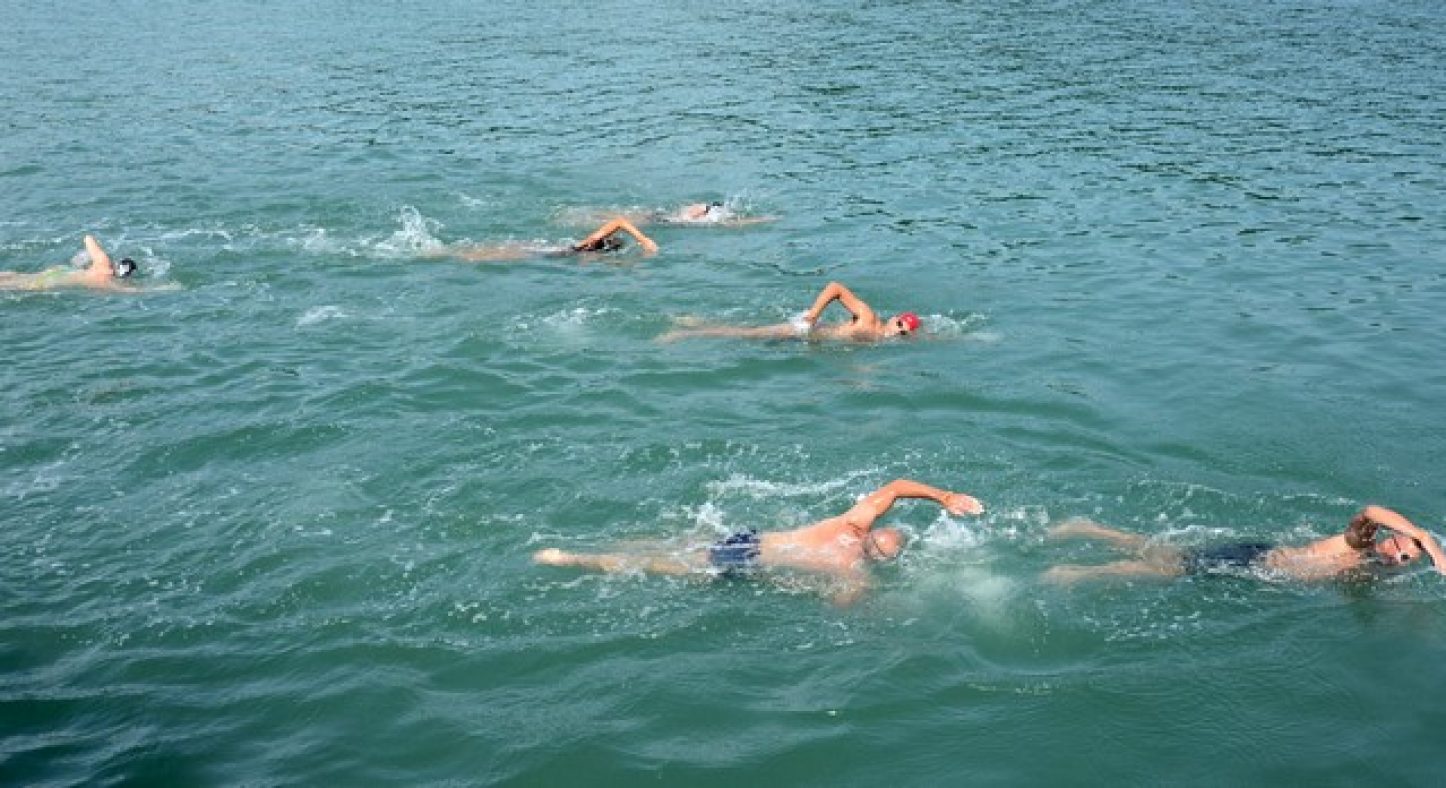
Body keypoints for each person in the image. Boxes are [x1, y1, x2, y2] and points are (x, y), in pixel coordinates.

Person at [534, 478, 984, 605]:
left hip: (748, 540)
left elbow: (897, 487)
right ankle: (569, 558)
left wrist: (945, 497)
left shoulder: (851, 524)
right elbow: (844, 608)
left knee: (672, 543)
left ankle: (594, 544)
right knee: (662, 565)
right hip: (744, 564)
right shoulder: (852, 571)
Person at [1043, 505, 1446, 585]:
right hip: (1256, 560)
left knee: (1167, 557)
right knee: (1168, 569)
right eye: (1400, 548)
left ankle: (1089, 529)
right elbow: (1370, 510)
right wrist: (1426, 538)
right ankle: (1078, 573)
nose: (1397, 557)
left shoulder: (1370, 569)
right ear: (1392, 538)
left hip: (1258, 569)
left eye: (1406, 560)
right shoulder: (1358, 546)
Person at [658, 281, 922, 343]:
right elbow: (835, 287)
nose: (898, 331)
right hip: (803, 331)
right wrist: (814, 315)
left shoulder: (880, 339)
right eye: (900, 324)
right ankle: (684, 332)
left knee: (749, 333)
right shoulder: (868, 316)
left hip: (808, 341)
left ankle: (695, 323)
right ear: (894, 318)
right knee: (744, 334)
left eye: (904, 333)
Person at [430, 217, 659, 262]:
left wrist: (642, 241)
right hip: (544, 253)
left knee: (485, 252)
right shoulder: (586, 245)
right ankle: (440, 253)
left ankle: (442, 252)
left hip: (545, 250)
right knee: (479, 256)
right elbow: (619, 220)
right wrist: (644, 240)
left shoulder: (586, 250)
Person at [0, 234, 139, 292]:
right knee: (21, 284)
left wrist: (93, 255)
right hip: (56, 280)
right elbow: (128, 291)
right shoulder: (106, 282)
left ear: (118, 263)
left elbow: (88, 238)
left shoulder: (103, 261)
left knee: (19, 275)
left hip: (60, 271)